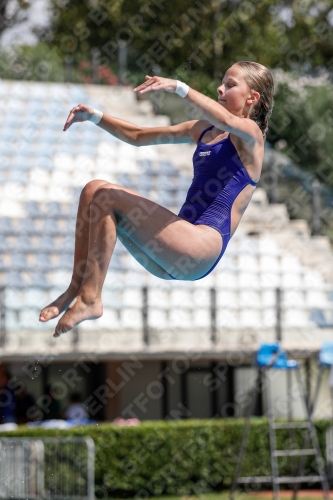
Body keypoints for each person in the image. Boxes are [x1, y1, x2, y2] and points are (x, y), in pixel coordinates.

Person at [39, 61, 274, 337]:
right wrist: (94, 116)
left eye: (230, 85)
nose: (220, 89)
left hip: (200, 248)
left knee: (106, 196)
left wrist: (179, 87)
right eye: (222, 83)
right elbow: (138, 136)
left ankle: (91, 300)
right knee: (93, 189)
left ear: (252, 97)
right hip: (174, 250)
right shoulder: (204, 130)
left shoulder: (252, 136)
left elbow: (227, 121)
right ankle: (75, 291)